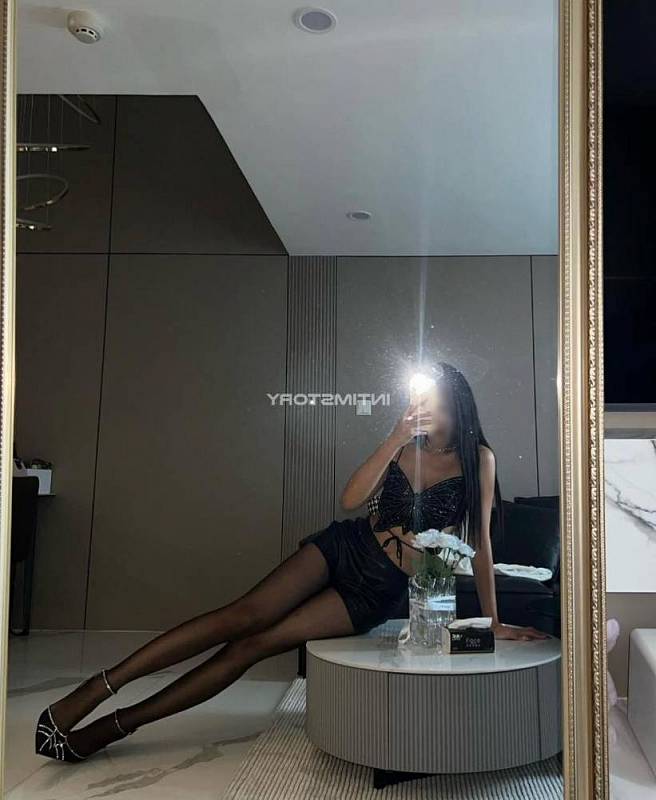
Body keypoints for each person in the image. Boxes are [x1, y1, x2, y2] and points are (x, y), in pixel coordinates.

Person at [35, 361, 546, 763]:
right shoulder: (402, 445)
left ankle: (114, 727)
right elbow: (350, 499)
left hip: (375, 589)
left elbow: (481, 542)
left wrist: (494, 622)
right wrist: (393, 436)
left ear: (455, 404)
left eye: (432, 399)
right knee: (241, 616)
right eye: (420, 398)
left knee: (253, 646)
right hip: (344, 547)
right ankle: (94, 689)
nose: (423, 408)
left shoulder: (478, 459)